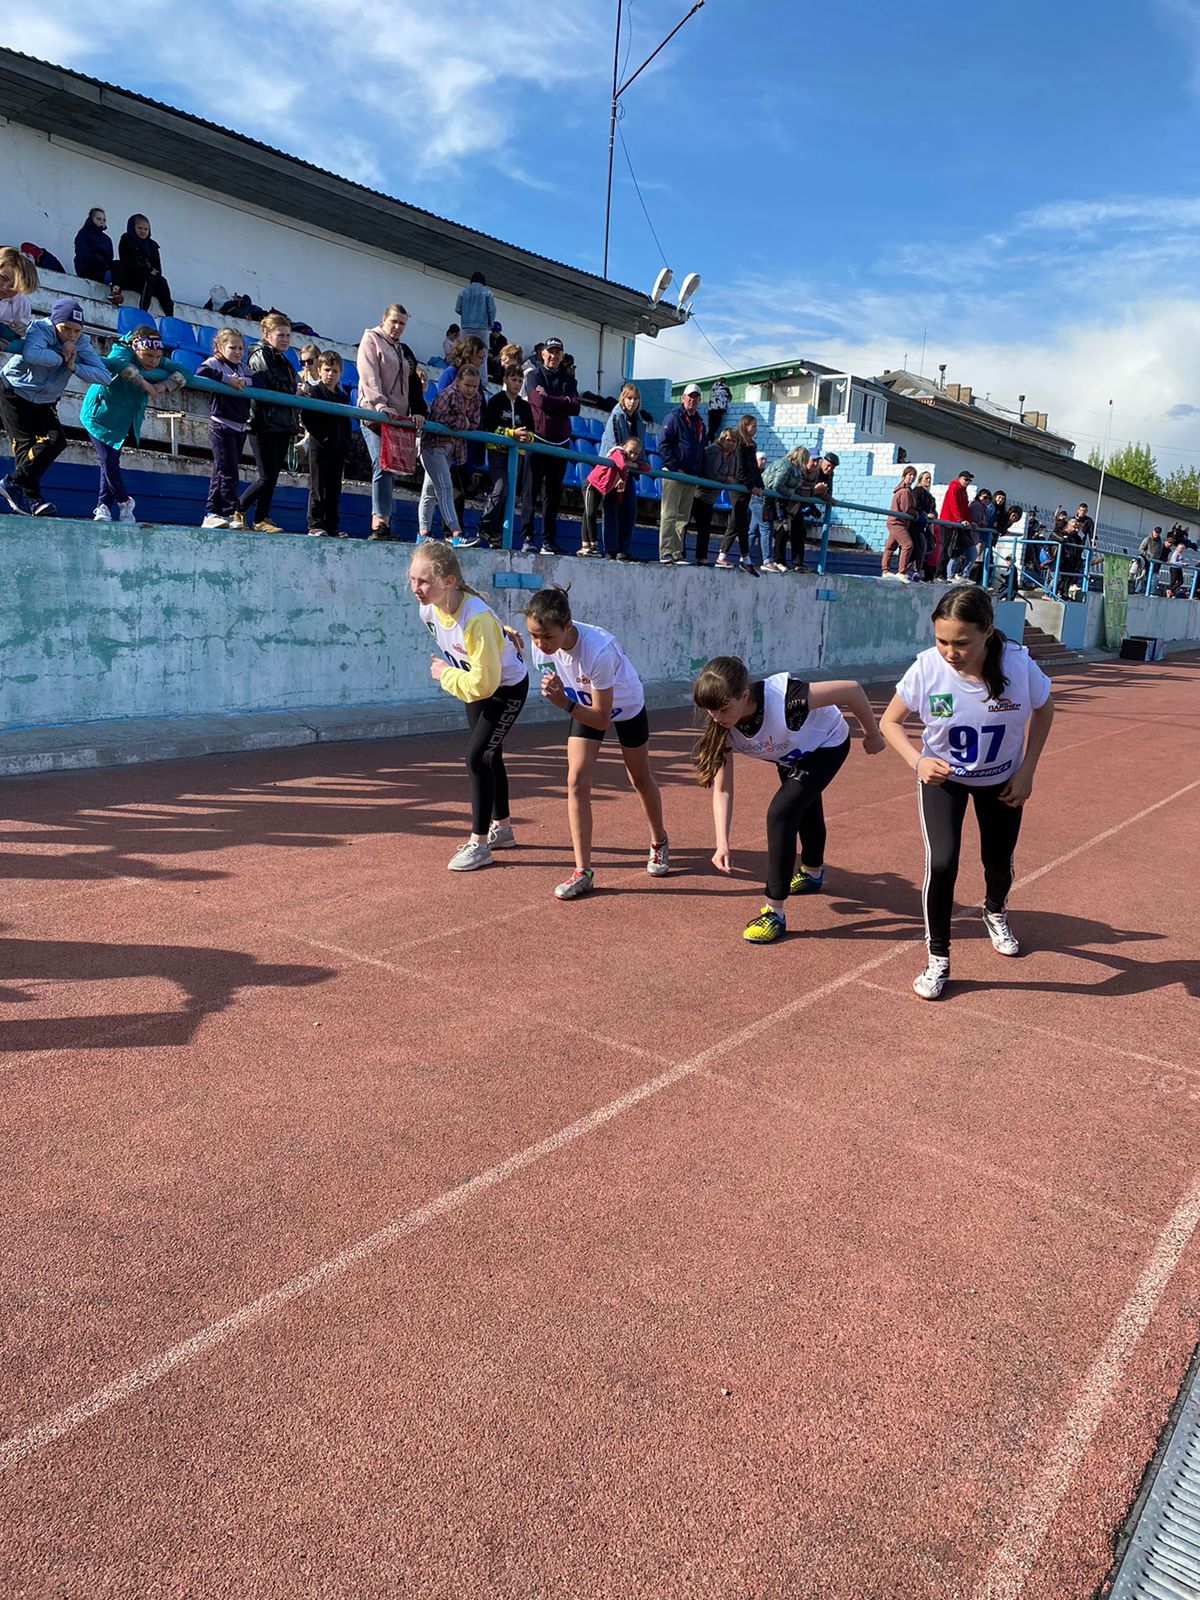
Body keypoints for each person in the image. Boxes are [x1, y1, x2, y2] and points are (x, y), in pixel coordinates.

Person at [879, 585, 1055, 1001]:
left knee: (997, 861)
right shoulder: (926, 669)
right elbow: (890, 722)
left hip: (1002, 780)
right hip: (945, 780)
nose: (949, 651)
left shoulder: (1018, 666)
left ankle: (995, 911)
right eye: (941, 641)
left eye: (960, 642)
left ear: (987, 632)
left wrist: (1028, 770)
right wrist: (917, 761)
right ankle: (938, 957)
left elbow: (1046, 708)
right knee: (941, 863)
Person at [692, 656, 886, 944]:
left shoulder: (785, 698)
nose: (717, 717)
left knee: (781, 813)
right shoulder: (722, 729)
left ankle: (774, 911)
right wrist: (722, 841)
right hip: (790, 754)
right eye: (709, 711)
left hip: (827, 745)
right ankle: (812, 872)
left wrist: (872, 735)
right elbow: (722, 789)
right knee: (803, 808)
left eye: (723, 709)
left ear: (744, 695)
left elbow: (852, 690)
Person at [523, 586, 669, 899]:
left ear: (567, 626)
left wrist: (563, 702)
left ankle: (659, 841)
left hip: (623, 706)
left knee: (639, 778)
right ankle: (583, 870)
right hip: (580, 702)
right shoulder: (540, 647)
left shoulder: (599, 651)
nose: (540, 643)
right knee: (576, 780)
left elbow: (602, 718)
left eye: (547, 636)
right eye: (534, 635)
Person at [409, 540, 529, 872]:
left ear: (449, 581)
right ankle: (502, 829)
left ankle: (479, 844)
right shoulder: (428, 610)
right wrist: (498, 635)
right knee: (491, 755)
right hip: (474, 681)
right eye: (412, 580)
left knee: (477, 756)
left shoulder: (476, 619)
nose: (416, 588)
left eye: (423, 581)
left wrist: (446, 675)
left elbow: (485, 684)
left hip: (505, 687)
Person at [0, 296, 111, 517]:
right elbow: (32, 353)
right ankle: (33, 501)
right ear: (54, 322)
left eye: (76, 331)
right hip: (14, 390)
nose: (71, 335)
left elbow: (104, 376)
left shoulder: (81, 342)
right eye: (66, 329)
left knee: (56, 441)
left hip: (46, 400)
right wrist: (62, 357)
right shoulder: (40, 328)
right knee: (25, 445)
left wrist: (74, 366)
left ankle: (12, 483)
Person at [80, 326, 188, 524]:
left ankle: (103, 506)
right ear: (136, 348)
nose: (153, 361)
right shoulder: (122, 349)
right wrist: (144, 383)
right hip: (100, 415)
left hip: (124, 419)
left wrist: (163, 385)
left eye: (157, 357)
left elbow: (185, 371)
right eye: (148, 356)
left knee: (110, 462)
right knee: (107, 460)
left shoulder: (158, 361)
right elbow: (117, 363)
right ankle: (124, 501)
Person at [356, 304, 427, 541]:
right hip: (374, 413)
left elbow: (413, 383)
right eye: (394, 321)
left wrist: (417, 410)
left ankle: (384, 524)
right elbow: (369, 374)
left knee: (389, 468)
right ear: (384, 319)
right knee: (381, 464)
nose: (397, 327)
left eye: (402, 323)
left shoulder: (403, 350)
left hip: (397, 418)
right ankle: (379, 524)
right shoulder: (371, 339)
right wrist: (378, 404)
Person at [236, 313, 299, 533]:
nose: (285, 339)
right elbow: (269, 383)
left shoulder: (283, 358)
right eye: (280, 335)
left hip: (281, 423)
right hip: (263, 422)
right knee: (266, 477)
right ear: (266, 334)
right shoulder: (261, 354)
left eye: (288, 335)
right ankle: (239, 508)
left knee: (272, 477)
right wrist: (293, 390)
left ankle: (262, 517)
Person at [522, 337, 579, 555]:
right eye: (550, 351)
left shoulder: (568, 379)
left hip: (561, 443)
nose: (553, 356)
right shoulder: (534, 375)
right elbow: (539, 401)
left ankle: (549, 539)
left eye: (558, 352)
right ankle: (527, 536)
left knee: (553, 494)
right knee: (530, 491)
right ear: (543, 354)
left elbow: (575, 407)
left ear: (562, 356)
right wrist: (563, 401)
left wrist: (561, 402)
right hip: (538, 440)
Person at [419, 363, 482, 544]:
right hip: (433, 445)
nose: (471, 390)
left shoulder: (477, 398)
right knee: (445, 488)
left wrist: (460, 422)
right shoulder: (447, 395)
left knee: (429, 491)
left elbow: (475, 422)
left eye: (474, 386)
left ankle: (422, 533)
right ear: (458, 382)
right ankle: (456, 532)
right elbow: (441, 420)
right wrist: (464, 422)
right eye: (467, 385)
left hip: (451, 448)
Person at [196, 327, 251, 529]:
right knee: (226, 470)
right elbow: (201, 371)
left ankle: (214, 512)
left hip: (239, 426)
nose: (237, 352)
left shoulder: (243, 368)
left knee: (224, 469)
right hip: (221, 423)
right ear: (219, 347)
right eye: (232, 347)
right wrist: (228, 380)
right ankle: (225, 512)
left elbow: (259, 380)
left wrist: (242, 381)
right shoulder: (215, 363)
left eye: (240, 348)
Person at [479, 364, 535, 549]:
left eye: (520, 380)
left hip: (517, 455)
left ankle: (498, 533)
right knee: (500, 487)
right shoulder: (496, 401)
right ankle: (486, 525)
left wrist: (527, 437)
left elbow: (532, 433)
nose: (517, 383)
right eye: (513, 379)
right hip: (497, 452)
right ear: (505, 380)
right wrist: (511, 433)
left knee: (511, 494)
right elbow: (489, 427)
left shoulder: (525, 407)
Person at [300, 350, 352, 537]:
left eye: (335, 371)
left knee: (334, 488)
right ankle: (315, 523)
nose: (331, 375)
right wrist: (325, 439)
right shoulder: (315, 392)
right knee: (318, 486)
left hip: (338, 449)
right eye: (327, 370)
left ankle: (332, 525)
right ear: (320, 370)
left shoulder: (342, 396)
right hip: (320, 448)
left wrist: (346, 443)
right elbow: (308, 419)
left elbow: (346, 422)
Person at [657, 383, 707, 565]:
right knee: (669, 513)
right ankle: (666, 552)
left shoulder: (700, 422)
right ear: (683, 398)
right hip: (674, 473)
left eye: (696, 397)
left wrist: (697, 471)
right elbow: (663, 444)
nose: (692, 400)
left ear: (700, 400)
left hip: (691, 475)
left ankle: (677, 552)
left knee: (683, 517)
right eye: (689, 396)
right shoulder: (673, 418)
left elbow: (701, 448)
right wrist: (674, 468)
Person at [599, 383, 646, 560]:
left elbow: (642, 447)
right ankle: (611, 549)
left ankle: (624, 549)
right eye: (629, 398)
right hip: (613, 471)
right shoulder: (615, 417)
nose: (632, 402)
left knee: (630, 510)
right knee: (611, 509)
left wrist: (640, 464)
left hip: (629, 473)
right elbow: (613, 446)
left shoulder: (639, 421)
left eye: (635, 399)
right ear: (623, 399)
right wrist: (626, 463)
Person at [579, 436, 644, 557]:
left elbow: (646, 466)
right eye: (630, 452)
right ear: (624, 446)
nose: (632, 456)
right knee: (590, 513)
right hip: (592, 485)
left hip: (601, 488)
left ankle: (585, 546)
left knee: (588, 513)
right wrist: (624, 478)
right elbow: (622, 465)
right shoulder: (617, 452)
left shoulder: (629, 459)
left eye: (636, 454)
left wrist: (632, 464)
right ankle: (593, 546)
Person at [716, 414, 763, 573]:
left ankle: (726, 556)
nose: (755, 429)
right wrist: (752, 487)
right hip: (739, 487)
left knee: (738, 521)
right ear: (745, 426)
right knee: (740, 521)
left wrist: (760, 485)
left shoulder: (751, 445)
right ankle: (744, 557)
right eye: (753, 426)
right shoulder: (740, 445)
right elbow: (740, 470)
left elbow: (754, 469)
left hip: (747, 489)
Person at [691, 429, 738, 566]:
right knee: (685, 524)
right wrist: (725, 479)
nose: (731, 444)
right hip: (698, 493)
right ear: (722, 439)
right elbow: (710, 472)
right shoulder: (715, 450)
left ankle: (701, 556)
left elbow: (733, 474)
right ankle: (680, 554)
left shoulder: (733, 455)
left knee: (705, 528)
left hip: (711, 496)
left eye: (734, 441)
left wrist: (727, 479)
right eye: (728, 440)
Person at [761, 447, 812, 573]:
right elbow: (776, 485)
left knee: (781, 529)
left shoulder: (793, 468)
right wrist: (791, 492)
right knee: (775, 529)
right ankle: (774, 560)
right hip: (768, 499)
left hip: (774, 499)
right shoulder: (787, 466)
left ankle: (777, 561)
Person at [117, 214, 173, 315]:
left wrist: (152, 272)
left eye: (146, 229)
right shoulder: (126, 240)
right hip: (131, 277)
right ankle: (143, 311)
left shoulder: (152, 245)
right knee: (149, 277)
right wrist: (146, 270)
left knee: (162, 282)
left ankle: (170, 315)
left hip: (149, 280)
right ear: (133, 227)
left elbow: (158, 269)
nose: (143, 231)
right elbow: (126, 264)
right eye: (140, 228)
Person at [73, 209, 122, 304]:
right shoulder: (83, 234)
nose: (102, 222)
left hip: (102, 270)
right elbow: (82, 253)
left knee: (118, 264)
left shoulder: (106, 239)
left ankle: (115, 292)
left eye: (104, 220)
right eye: (99, 219)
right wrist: (98, 258)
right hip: (87, 268)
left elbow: (109, 257)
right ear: (91, 219)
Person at [880, 465, 918, 579]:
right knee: (907, 545)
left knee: (890, 546)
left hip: (895, 521)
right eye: (909, 475)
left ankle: (885, 571)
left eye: (913, 475)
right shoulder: (905, 491)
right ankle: (901, 572)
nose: (911, 477)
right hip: (897, 522)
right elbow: (906, 509)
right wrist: (917, 514)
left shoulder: (904, 489)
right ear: (904, 475)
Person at [937, 468, 974, 580]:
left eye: (969, 480)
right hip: (948, 523)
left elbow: (965, 509)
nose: (967, 482)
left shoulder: (963, 491)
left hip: (955, 524)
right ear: (959, 478)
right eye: (965, 479)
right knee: (946, 549)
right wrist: (959, 519)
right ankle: (939, 574)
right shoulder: (954, 488)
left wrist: (970, 521)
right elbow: (953, 505)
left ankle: (945, 575)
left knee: (953, 550)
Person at [0, 246, 37, 348]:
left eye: (13, 286)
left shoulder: (21, 303)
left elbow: (18, 331)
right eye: (3, 278)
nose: (5, 287)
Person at [455, 271, 496, 352]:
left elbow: (458, 309)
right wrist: (490, 323)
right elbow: (492, 310)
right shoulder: (487, 292)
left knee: (465, 351)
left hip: (466, 327)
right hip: (482, 328)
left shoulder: (463, 292)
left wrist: (466, 315)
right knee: (481, 353)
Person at [915, 470, 938, 580]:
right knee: (920, 547)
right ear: (920, 479)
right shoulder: (918, 491)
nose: (928, 480)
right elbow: (917, 506)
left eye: (929, 478)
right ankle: (914, 571)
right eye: (926, 478)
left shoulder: (930, 496)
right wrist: (926, 514)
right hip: (917, 525)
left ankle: (918, 572)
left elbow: (934, 510)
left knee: (927, 547)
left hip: (926, 526)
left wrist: (933, 514)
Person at [707, 377, 731, 442]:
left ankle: (709, 439)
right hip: (719, 409)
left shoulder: (713, 387)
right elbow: (729, 397)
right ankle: (709, 438)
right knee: (716, 426)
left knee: (711, 426)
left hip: (711, 408)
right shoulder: (725, 387)